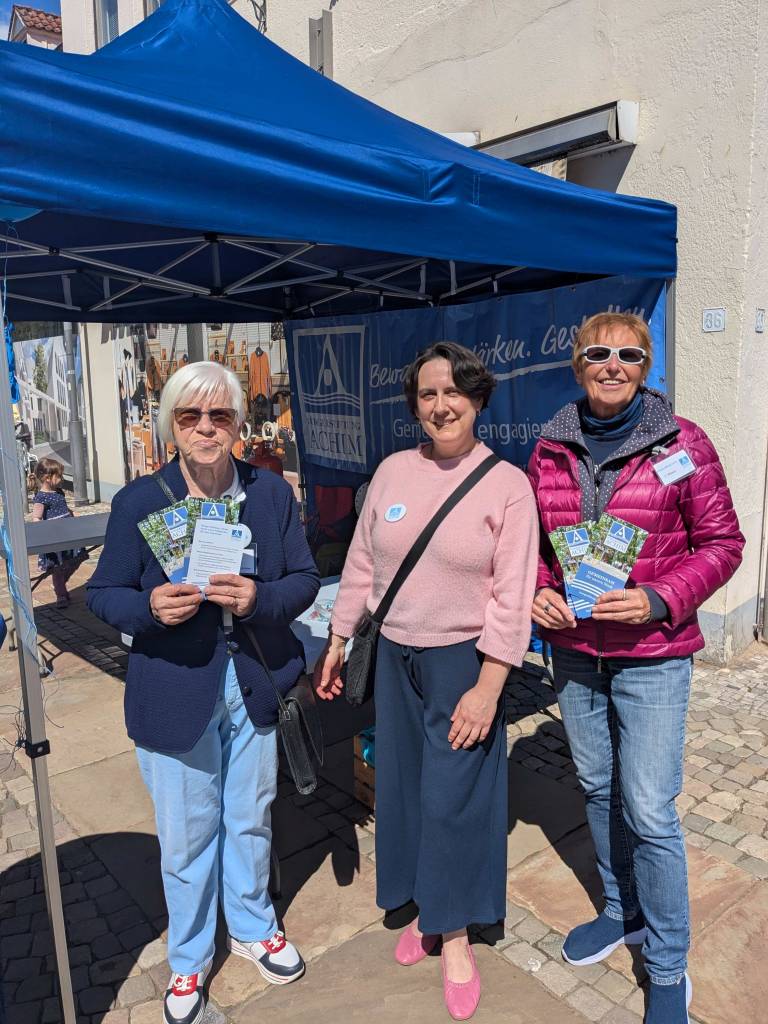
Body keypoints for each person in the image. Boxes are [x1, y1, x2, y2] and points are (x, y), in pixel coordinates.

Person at [87, 361, 320, 1024]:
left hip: (252, 683)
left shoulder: (269, 494)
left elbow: (304, 578)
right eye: (191, 416)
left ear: (239, 423)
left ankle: (252, 925)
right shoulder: (141, 501)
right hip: (175, 689)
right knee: (187, 836)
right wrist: (148, 607)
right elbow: (103, 593)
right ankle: (189, 958)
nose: (207, 428)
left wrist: (259, 598)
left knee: (250, 815)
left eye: (220, 415)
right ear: (172, 425)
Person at [527, 312, 744, 1024]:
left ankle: (668, 963)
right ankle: (622, 910)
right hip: (575, 651)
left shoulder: (684, 442)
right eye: (598, 352)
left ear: (648, 366)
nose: (612, 364)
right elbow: (536, 549)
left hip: (652, 655)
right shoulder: (549, 448)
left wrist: (659, 599)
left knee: (648, 807)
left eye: (629, 353)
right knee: (597, 786)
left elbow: (722, 543)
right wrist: (539, 593)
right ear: (578, 365)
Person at [314, 341, 539, 1021]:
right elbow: (362, 563)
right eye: (428, 394)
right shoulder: (391, 471)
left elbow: (512, 596)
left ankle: (457, 930)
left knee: (455, 795)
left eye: (454, 392)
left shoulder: (507, 485)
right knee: (406, 789)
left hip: (462, 660)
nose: (441, 406)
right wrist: (338, 638)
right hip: (394, 654)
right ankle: (423, 905)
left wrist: (489, 686)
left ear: (478, 399)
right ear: (415, 404)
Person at [31, 458, 87, 609]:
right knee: (57, 569)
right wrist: (42, 532)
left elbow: (65, 509)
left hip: (67, 533)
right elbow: (36, 517)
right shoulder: (41, 498)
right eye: (59, 476)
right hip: (54, 537)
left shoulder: (59, 491)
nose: (62, 479)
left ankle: (61, 583)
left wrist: (73, 517)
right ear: (47, 478)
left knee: (77, 559)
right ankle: (61, 594)